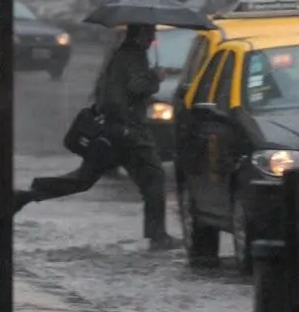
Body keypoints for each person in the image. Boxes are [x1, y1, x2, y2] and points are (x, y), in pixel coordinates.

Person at [14, 23, 177, 251]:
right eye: (150, 33)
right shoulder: (133, 56)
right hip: (128, 133)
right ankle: (157, 236)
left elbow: (115, 91)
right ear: (140, 34)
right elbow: (136, 86)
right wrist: (155, 77)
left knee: (84, 179)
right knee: (154, 177)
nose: (153, 38)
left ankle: (26, 196)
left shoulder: (119, 54)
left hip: (114, 131)